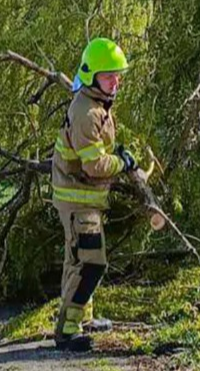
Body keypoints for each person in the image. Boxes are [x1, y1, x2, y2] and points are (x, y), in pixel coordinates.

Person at [49, 37, 137, 352]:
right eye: (109, 74)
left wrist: (118, 156)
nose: (116, 80)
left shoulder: (97, 104)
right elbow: (95, 164)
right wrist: (122, 163)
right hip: (78, 200)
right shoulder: (87, 111)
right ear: (91, 75)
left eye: (118, 73)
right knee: (90, 264)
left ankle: (83, 319)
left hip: (83, 199)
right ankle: (67, 332)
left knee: (78, 261)